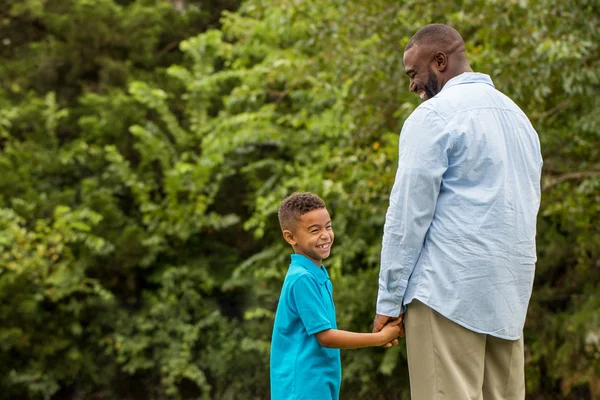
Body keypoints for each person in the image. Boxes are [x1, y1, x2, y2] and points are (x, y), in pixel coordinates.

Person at [372, 24, 543, 399]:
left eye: (414, 74)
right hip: (507, 299)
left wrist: (389, 299)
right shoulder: (520, 119)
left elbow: (407, 216)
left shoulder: (432, 117)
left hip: (445, 292)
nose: (412, 86)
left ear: (440, 61)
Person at [270, 192, 402, 400]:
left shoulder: (316, 273)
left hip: (321, 382)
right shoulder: (302, 279)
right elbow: (326, 337)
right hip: (302, 388)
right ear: (290, 237)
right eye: (314, 230)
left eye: (328, 227)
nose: (325, 235)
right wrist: (378, 338)